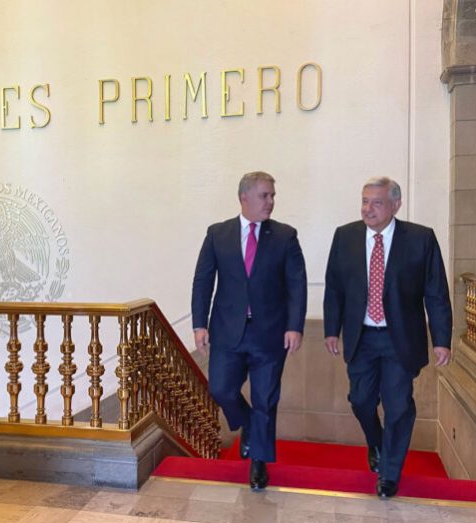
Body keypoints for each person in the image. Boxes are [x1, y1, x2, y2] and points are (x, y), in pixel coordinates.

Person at [323, 176, 452, 499]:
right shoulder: (346, 236)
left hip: (400, 340)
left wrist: (441, 338)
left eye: (377, 202)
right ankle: (376, 441)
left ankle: (389, 475)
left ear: (396, 204)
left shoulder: (420, 239)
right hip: (361, 337)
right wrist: (331, 330)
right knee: (361, 400)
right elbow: (335, 287)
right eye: (365, 201)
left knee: (397, 406)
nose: (368, 209)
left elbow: (435, 293)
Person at [192, 171, 307, 491]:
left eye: (272, 195)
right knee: (221, 389)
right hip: (227, 331)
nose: (271, 201)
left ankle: (258, 464)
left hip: (270, 333)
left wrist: (294, 326)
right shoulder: (218, 234)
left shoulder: (285, 236)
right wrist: (199, 324)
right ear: (244, 198)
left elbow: (297, 284)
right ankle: (247, 425)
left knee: (265, 399)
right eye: (264, 195)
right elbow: (203, 281)